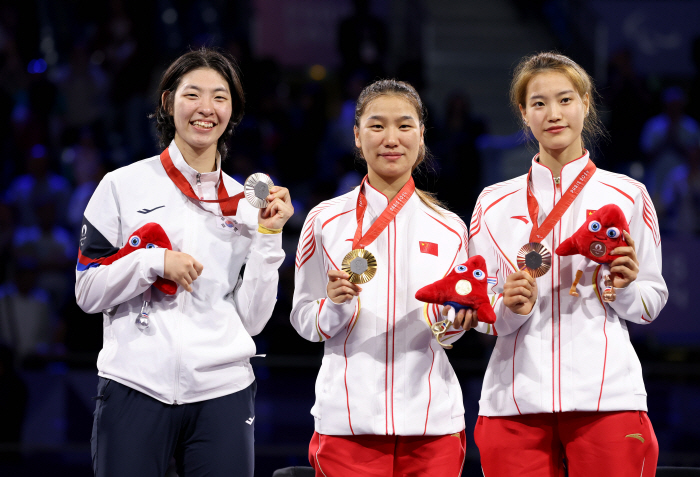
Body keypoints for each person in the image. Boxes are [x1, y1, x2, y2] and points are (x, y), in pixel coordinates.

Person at [75, 48, 293, 477]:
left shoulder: (248, 205)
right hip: (134, 384)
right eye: (193, 95)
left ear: (233, 111)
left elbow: (251, 321)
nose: (206, 109)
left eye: (220, 97)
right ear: (168, 102)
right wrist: (152, 262)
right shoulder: (121, 186)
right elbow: (87, 292)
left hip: (223, 390)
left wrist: (270, 238)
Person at [468, 52, 667, 477]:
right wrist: (507, 308)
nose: (553, 114)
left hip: (607, 400)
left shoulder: (628, 195)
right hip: (513, 403)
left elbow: (650, 303)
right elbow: (479, 309)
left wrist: (625, 286)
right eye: (538, 103)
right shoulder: (492, 202)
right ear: (523, 113)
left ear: (585, 103)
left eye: (565, 100)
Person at [291, 79, 475, 477]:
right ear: (357, 136)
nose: (391, 138)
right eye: (377, 126)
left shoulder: (451, 228)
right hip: (347, 425)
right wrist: (334, 306)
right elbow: (304, 320)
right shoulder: (324, 221)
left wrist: (454, 323)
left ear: (422, 136)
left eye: (404, 126)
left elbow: (453, 329)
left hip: (432, 425)